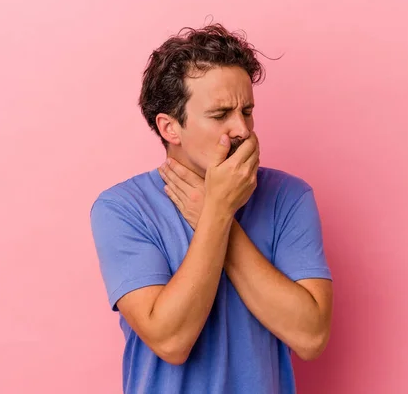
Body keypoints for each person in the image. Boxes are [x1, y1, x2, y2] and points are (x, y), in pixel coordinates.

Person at [90, 23, 334, 394]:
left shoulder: (289, 196)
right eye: (220, 115)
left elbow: (311, 335)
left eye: (247, 111)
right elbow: (171, 340)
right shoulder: (121, 209)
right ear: (170, 128)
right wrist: (219, 211)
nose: (242, 129)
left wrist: (217, 213)